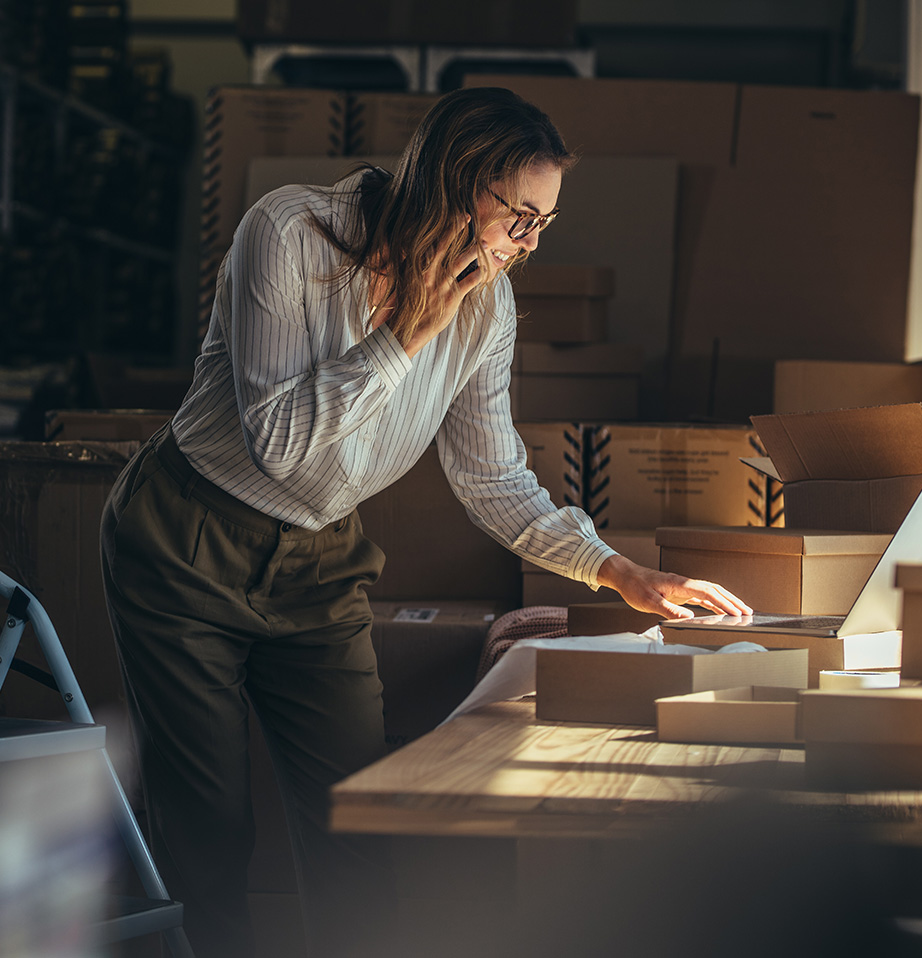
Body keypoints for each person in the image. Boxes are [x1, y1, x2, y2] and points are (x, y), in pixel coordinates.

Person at [99, 86, 752, 958]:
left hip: (320, 560)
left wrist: (618, 571)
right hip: (185, 540)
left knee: (361, 818)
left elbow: (491, 478)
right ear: (456, 181)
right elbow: (281, 445)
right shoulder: (289, 234)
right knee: (209, 834)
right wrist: (406, 335)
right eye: (518, 214)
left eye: (543, 224)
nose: (526, 243)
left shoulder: (487, 309)